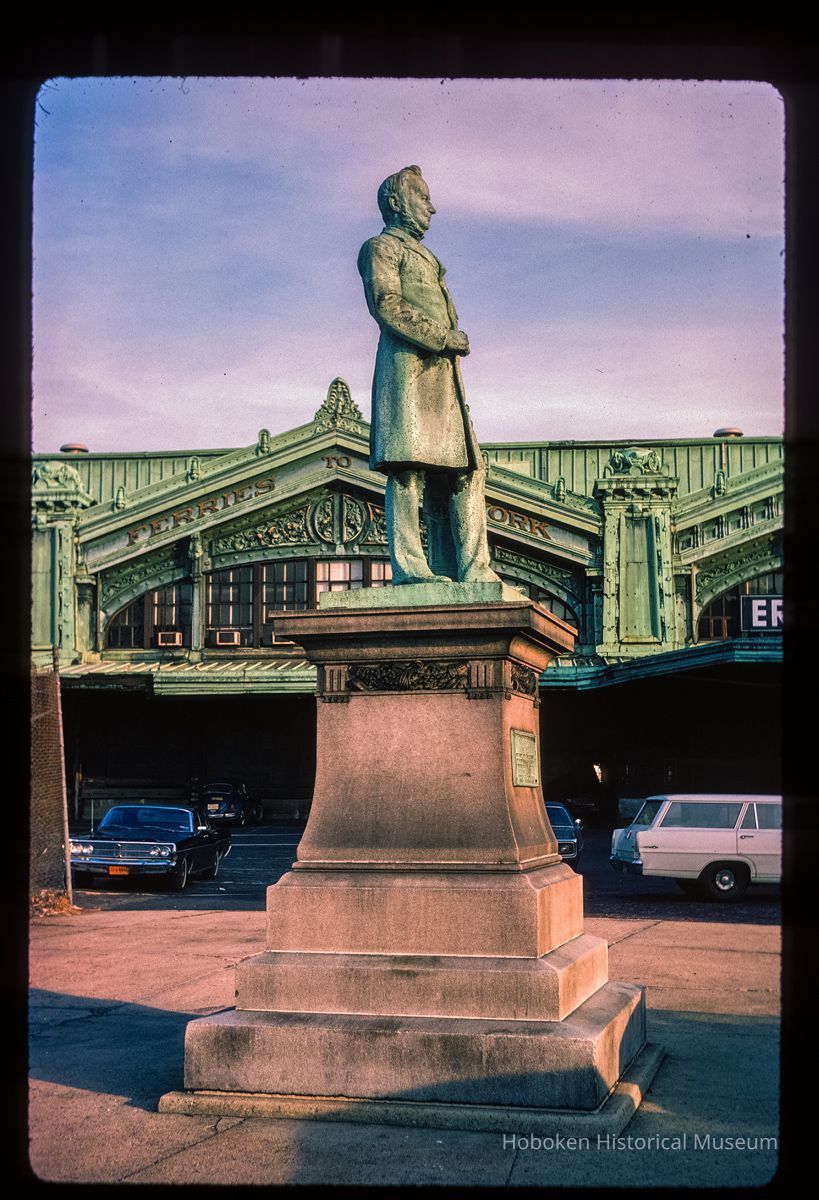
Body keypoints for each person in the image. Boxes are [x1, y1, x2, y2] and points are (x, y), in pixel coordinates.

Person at [357, 165, 501, 585]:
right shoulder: (381, 248)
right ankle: (412, 570)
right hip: (408, 374)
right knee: (407, 470)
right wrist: (443, 337)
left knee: (467, 470)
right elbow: (386, 305)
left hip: (442, 381)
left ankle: (474, 569)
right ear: (397, 203)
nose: (432, 208)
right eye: (423, 198)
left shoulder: (428, 258)